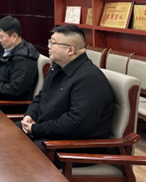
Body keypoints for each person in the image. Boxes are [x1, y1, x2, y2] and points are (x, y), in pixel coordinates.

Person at [18, 25, 114, 162]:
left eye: (53, 43)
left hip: (75, 146)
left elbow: (76, 123)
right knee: (9, 134)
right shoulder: (57, 68)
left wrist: (37, 129)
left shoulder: (89, 79)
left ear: (70, 50)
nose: (48, 46)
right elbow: (41, 97)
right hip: (49, 133)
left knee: (19, 155)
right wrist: (30, 115)